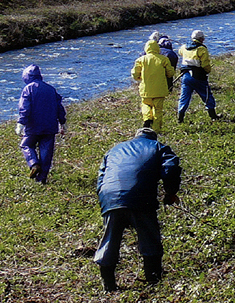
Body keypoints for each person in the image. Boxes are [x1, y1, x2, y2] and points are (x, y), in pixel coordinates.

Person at [93, 128, 181, 292]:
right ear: (152, 137)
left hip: (110, 196)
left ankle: (109, 284)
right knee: (149, 237)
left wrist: (105, 198)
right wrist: (170, 192)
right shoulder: (158, 147)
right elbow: (171, 169)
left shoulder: (115, 149)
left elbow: (101, 177)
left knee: (110, 239)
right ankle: (153, 280)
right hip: (139, 196)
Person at [16, 64, 66, 184]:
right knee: (46, 153)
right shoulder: (51, 89)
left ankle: (33, 163)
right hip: (50, 127)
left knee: (26, 145)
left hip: (33, 127)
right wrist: (62, 122)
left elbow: (24, 108)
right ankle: (42, 178)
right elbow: (59, 107)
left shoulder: (28, 89)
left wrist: (20, 124)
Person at [131, 39, 175, 133]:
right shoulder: (164, 59)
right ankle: (156, 130)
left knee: (146, 104)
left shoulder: (141, 60)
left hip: (146, 90)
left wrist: (140, 78)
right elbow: (170, 73)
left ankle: (147, 118)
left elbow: (135, 74)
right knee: (158, 110)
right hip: (160, 90)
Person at [177, 30, 219, 122]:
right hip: (198, 76)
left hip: (185, 75)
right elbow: (205, 65)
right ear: (201, 39)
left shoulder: (184, 47)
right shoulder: (202, 49)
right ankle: (213, 116)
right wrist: (208, 71)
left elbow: (180, 52)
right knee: (207, 95)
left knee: (184, 97)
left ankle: (180, 117)